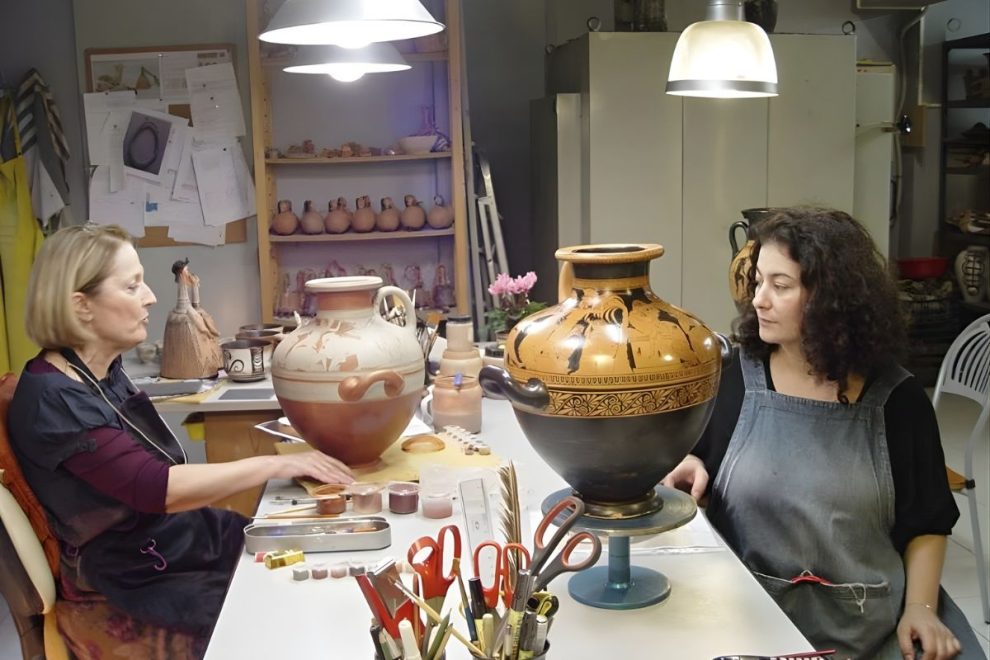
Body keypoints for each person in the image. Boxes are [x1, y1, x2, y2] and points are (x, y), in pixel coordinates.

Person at [8, 224, 354, 655]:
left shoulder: (98, 370)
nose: (151, 296)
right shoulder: (53, 400)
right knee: (276, 618)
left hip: (178, 541)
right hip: (135, 572)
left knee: (320, 564)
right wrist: (276, 463)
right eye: (133, 286)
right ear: (81, 306)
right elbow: (158, 488)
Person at [661, 208, 980, 660]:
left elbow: (927, 521)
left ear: (834, 299)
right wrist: (688, 463)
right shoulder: (732, 379)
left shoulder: (898, 400)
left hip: (871, 628)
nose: (758, 300)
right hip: (748, 623)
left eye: (781, 286)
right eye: (758, 282)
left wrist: (922, 609)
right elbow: (689, 470)